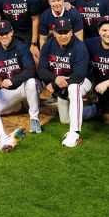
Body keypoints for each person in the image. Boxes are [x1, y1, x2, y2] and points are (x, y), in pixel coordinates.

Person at [38, 17, 89, 148]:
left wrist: (54, 84)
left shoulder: (79, 46)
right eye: (60, 33)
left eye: (66, 32)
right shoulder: (48, 44)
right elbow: (41, 69)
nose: (63, 36)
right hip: (61, 83)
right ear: (54, 33)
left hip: (82, 81)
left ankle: (75, 133)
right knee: (65, 119)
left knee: (73, 88)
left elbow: (78, 76)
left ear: (71, 32)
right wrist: (55, 79)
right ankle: (94, 111)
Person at [0, 20, 41, 134]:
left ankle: (34, 119)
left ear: (11, 32)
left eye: (6, 33)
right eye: (1, 34)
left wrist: (12, 80)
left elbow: (30, 70)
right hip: (10, 91)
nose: (4, 36)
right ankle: (19, 106)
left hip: (26, 86)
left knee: (31, 82)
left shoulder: (21, 47)